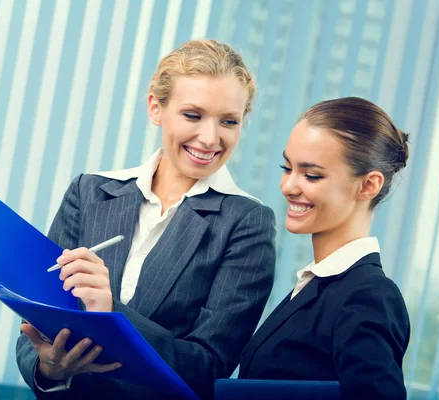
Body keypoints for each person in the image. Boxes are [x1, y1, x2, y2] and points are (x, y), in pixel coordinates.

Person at [16, 39, 276, 400]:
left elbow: (209, 367)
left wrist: (110, 315)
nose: (210, 138)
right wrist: (48, 369)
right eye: (193, 115)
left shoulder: (246, 223)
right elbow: (36, 320)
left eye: (228, 121)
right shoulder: (90, 192)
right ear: (156, 108)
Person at [238, 97, 411, 399]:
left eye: (311, 175)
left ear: (368, 185)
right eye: (287, 168)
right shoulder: (317, 285)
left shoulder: (367, 296)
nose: (289, 186)